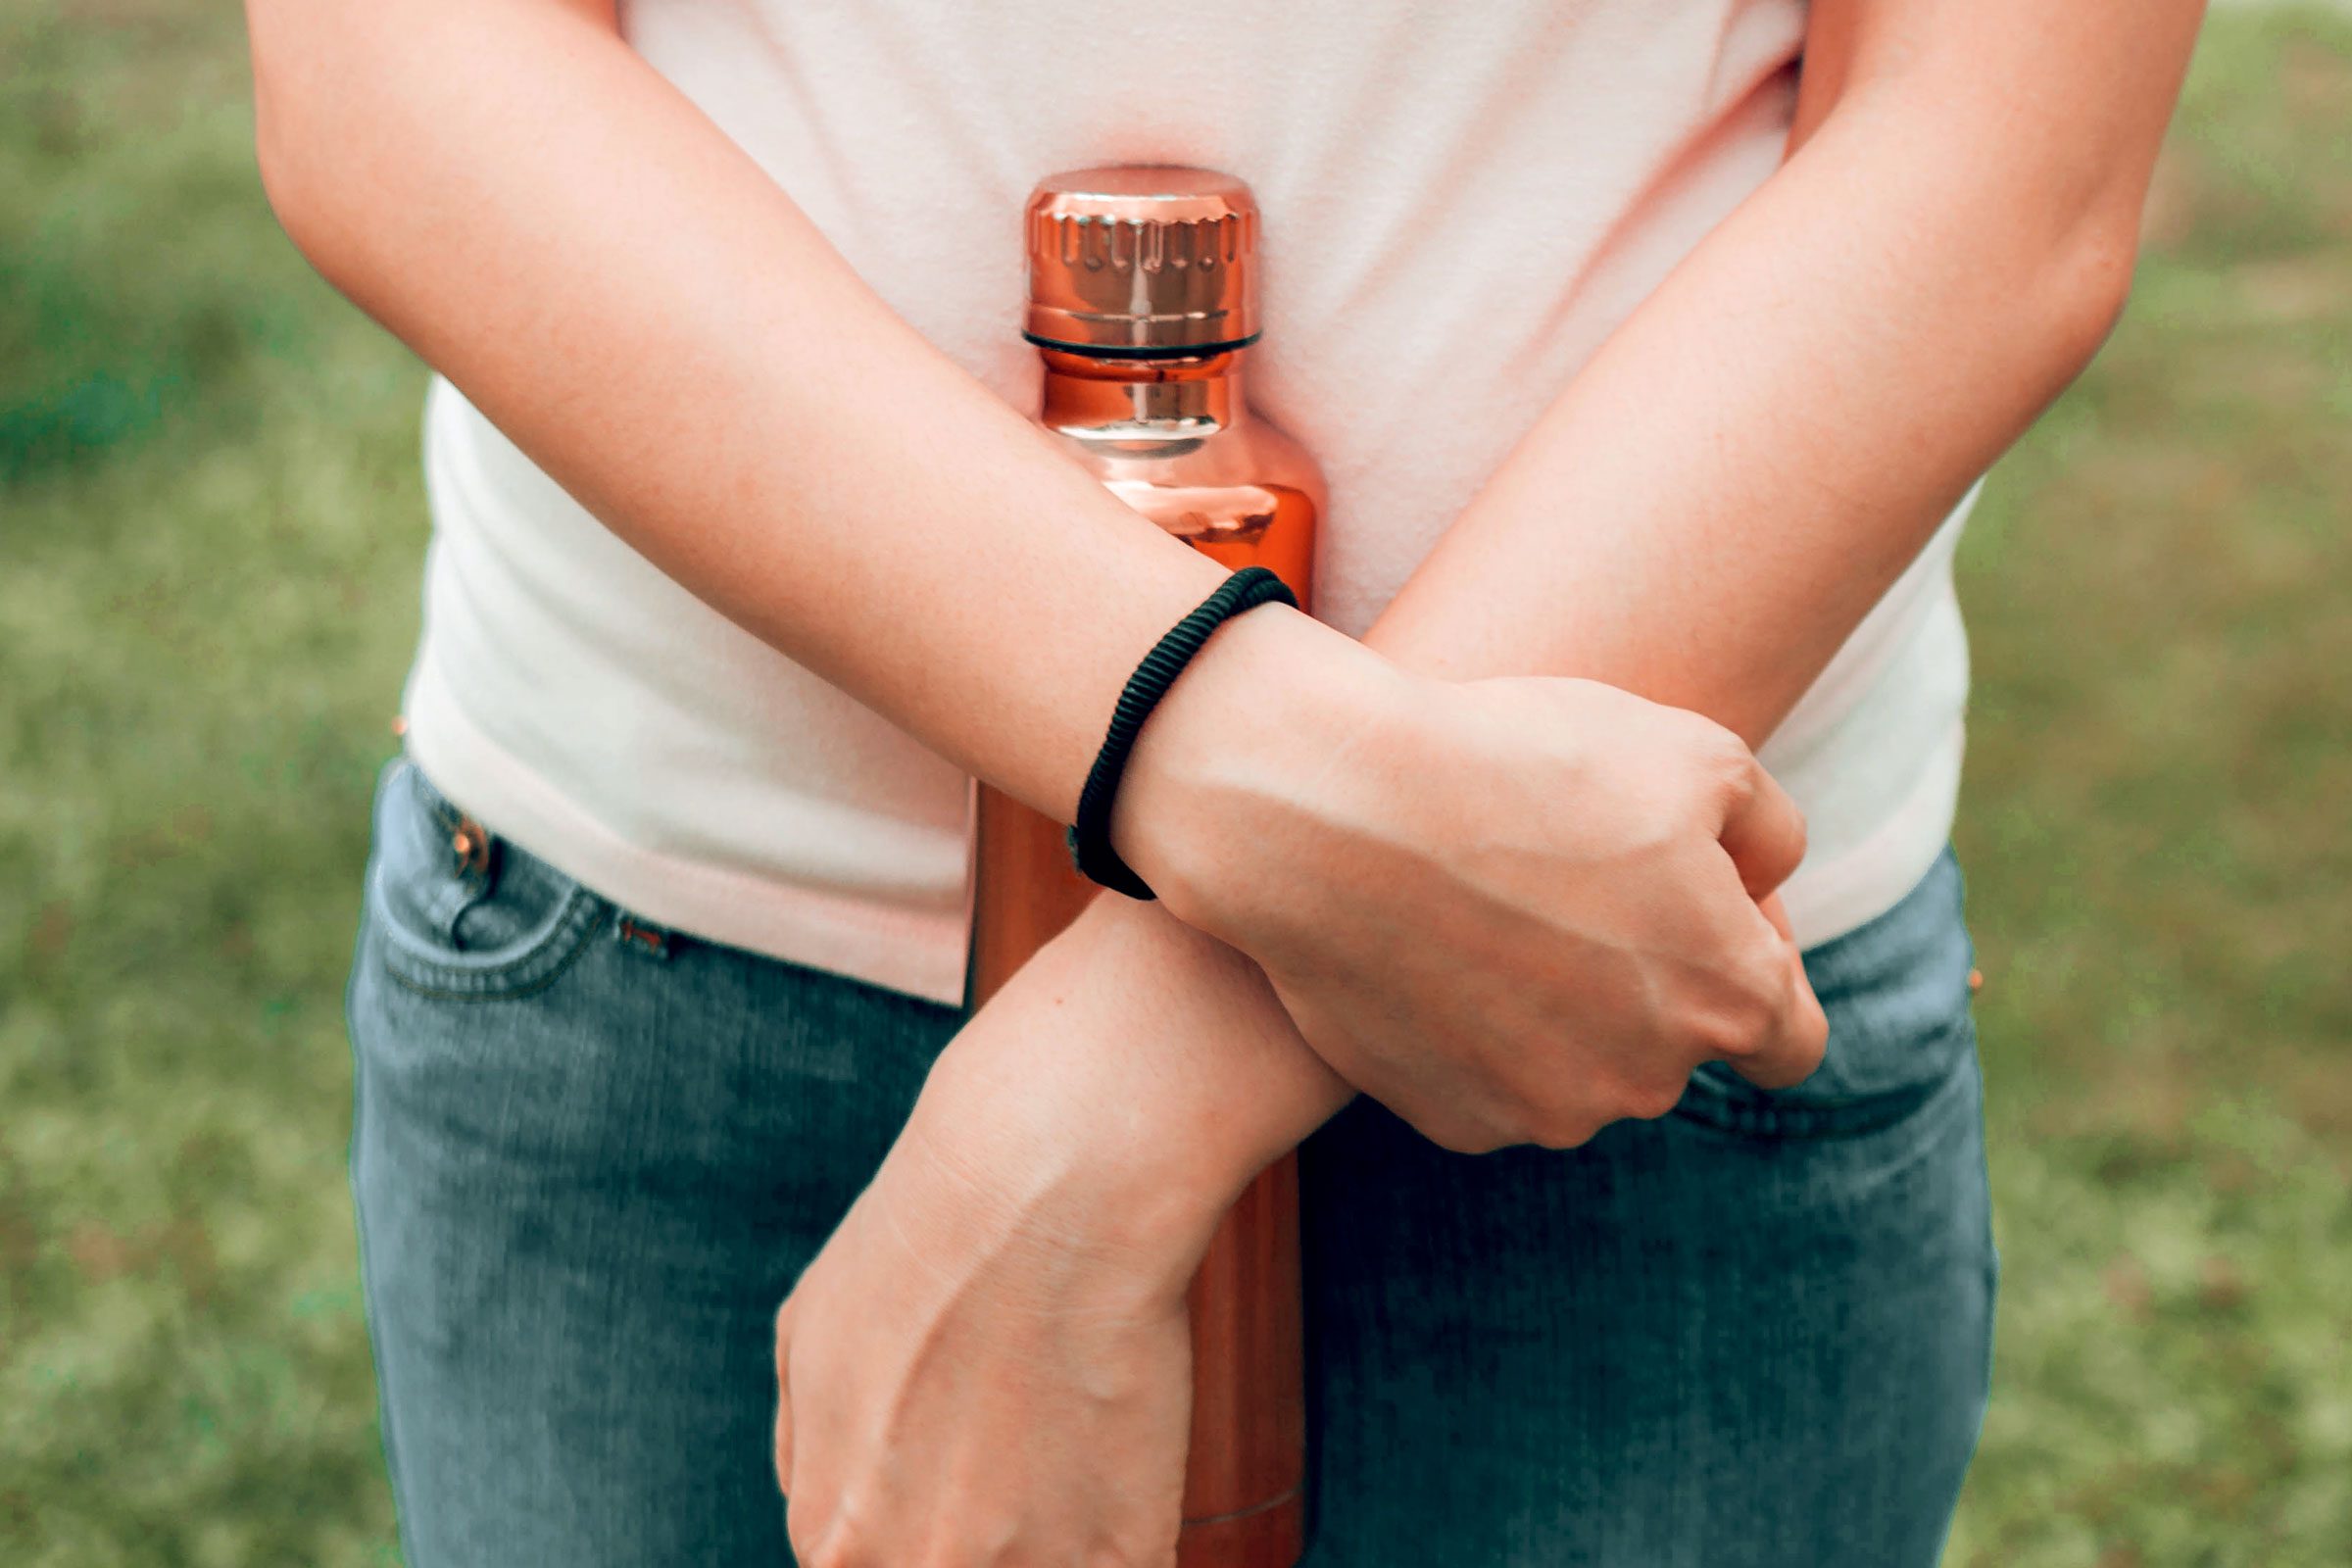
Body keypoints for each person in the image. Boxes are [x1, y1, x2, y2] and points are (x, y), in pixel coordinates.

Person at [241, 0, 2203, 1563]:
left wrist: (1102, 1111)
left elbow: (1993, 150)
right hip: (679, 965)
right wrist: (1226, 756)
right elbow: (393, 52)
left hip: (1631, 1010)